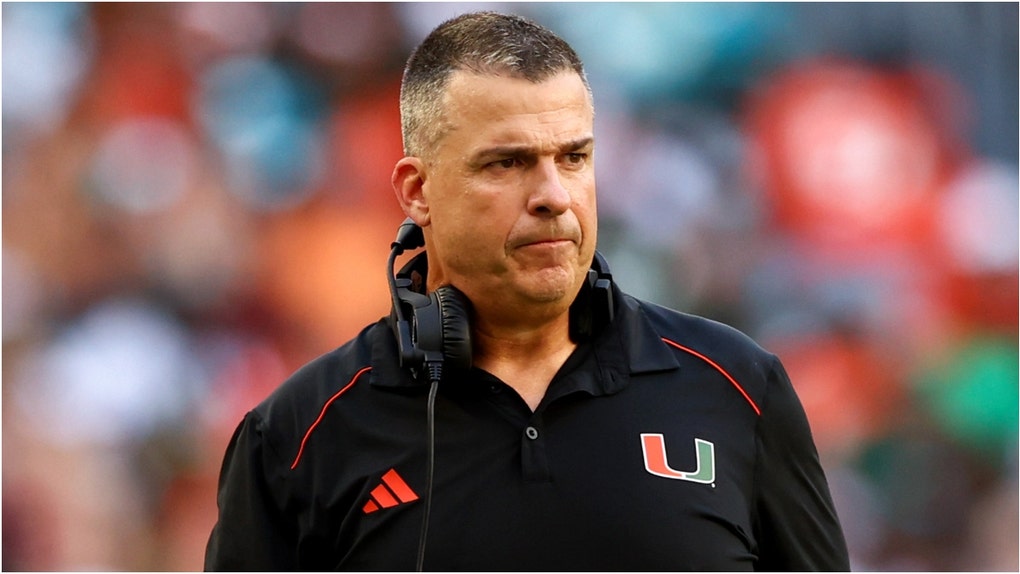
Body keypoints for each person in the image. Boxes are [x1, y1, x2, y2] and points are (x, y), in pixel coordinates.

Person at [205, 11, 850, 571]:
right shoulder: (298, 435)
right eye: (506, 163)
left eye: (573, 157)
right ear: (417, 191)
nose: (553, 196)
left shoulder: (738, 388)